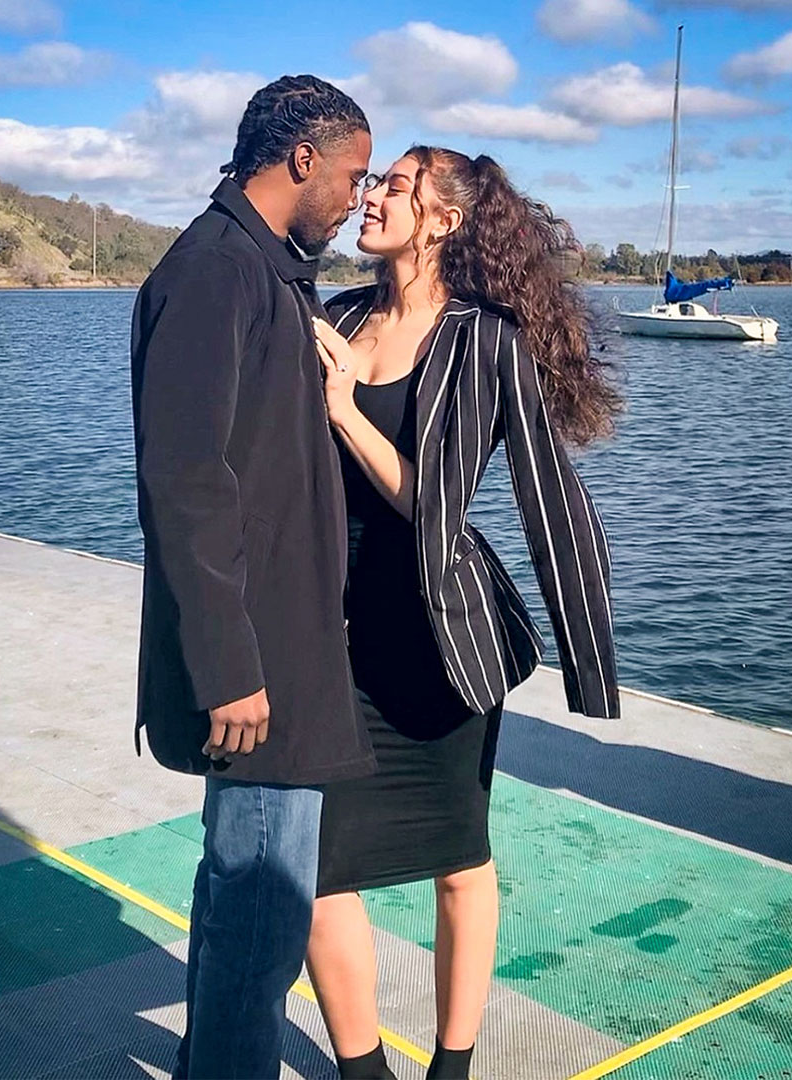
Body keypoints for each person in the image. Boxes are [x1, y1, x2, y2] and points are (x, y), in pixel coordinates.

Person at [306, 148, 621, 1080]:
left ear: (441, 219)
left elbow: (502, 502)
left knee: (457, 856)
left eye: (392, 186)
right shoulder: (339, 315)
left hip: (439, 634)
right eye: (371, 184)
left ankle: (451, 1066)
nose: (368, 198)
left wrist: (344, 410)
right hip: (331, 632)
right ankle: (360, 1070)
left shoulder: (484, 342)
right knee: (316, 870)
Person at [130, 75, 377, 1079]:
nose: (360, 196)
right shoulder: (212, 271)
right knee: (256, 917)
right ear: (301, 158)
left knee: (254, 909)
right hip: (255, 668)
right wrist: (228, 663)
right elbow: (186, 481)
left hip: (291, 652)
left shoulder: (271, 271)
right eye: (354, 174)